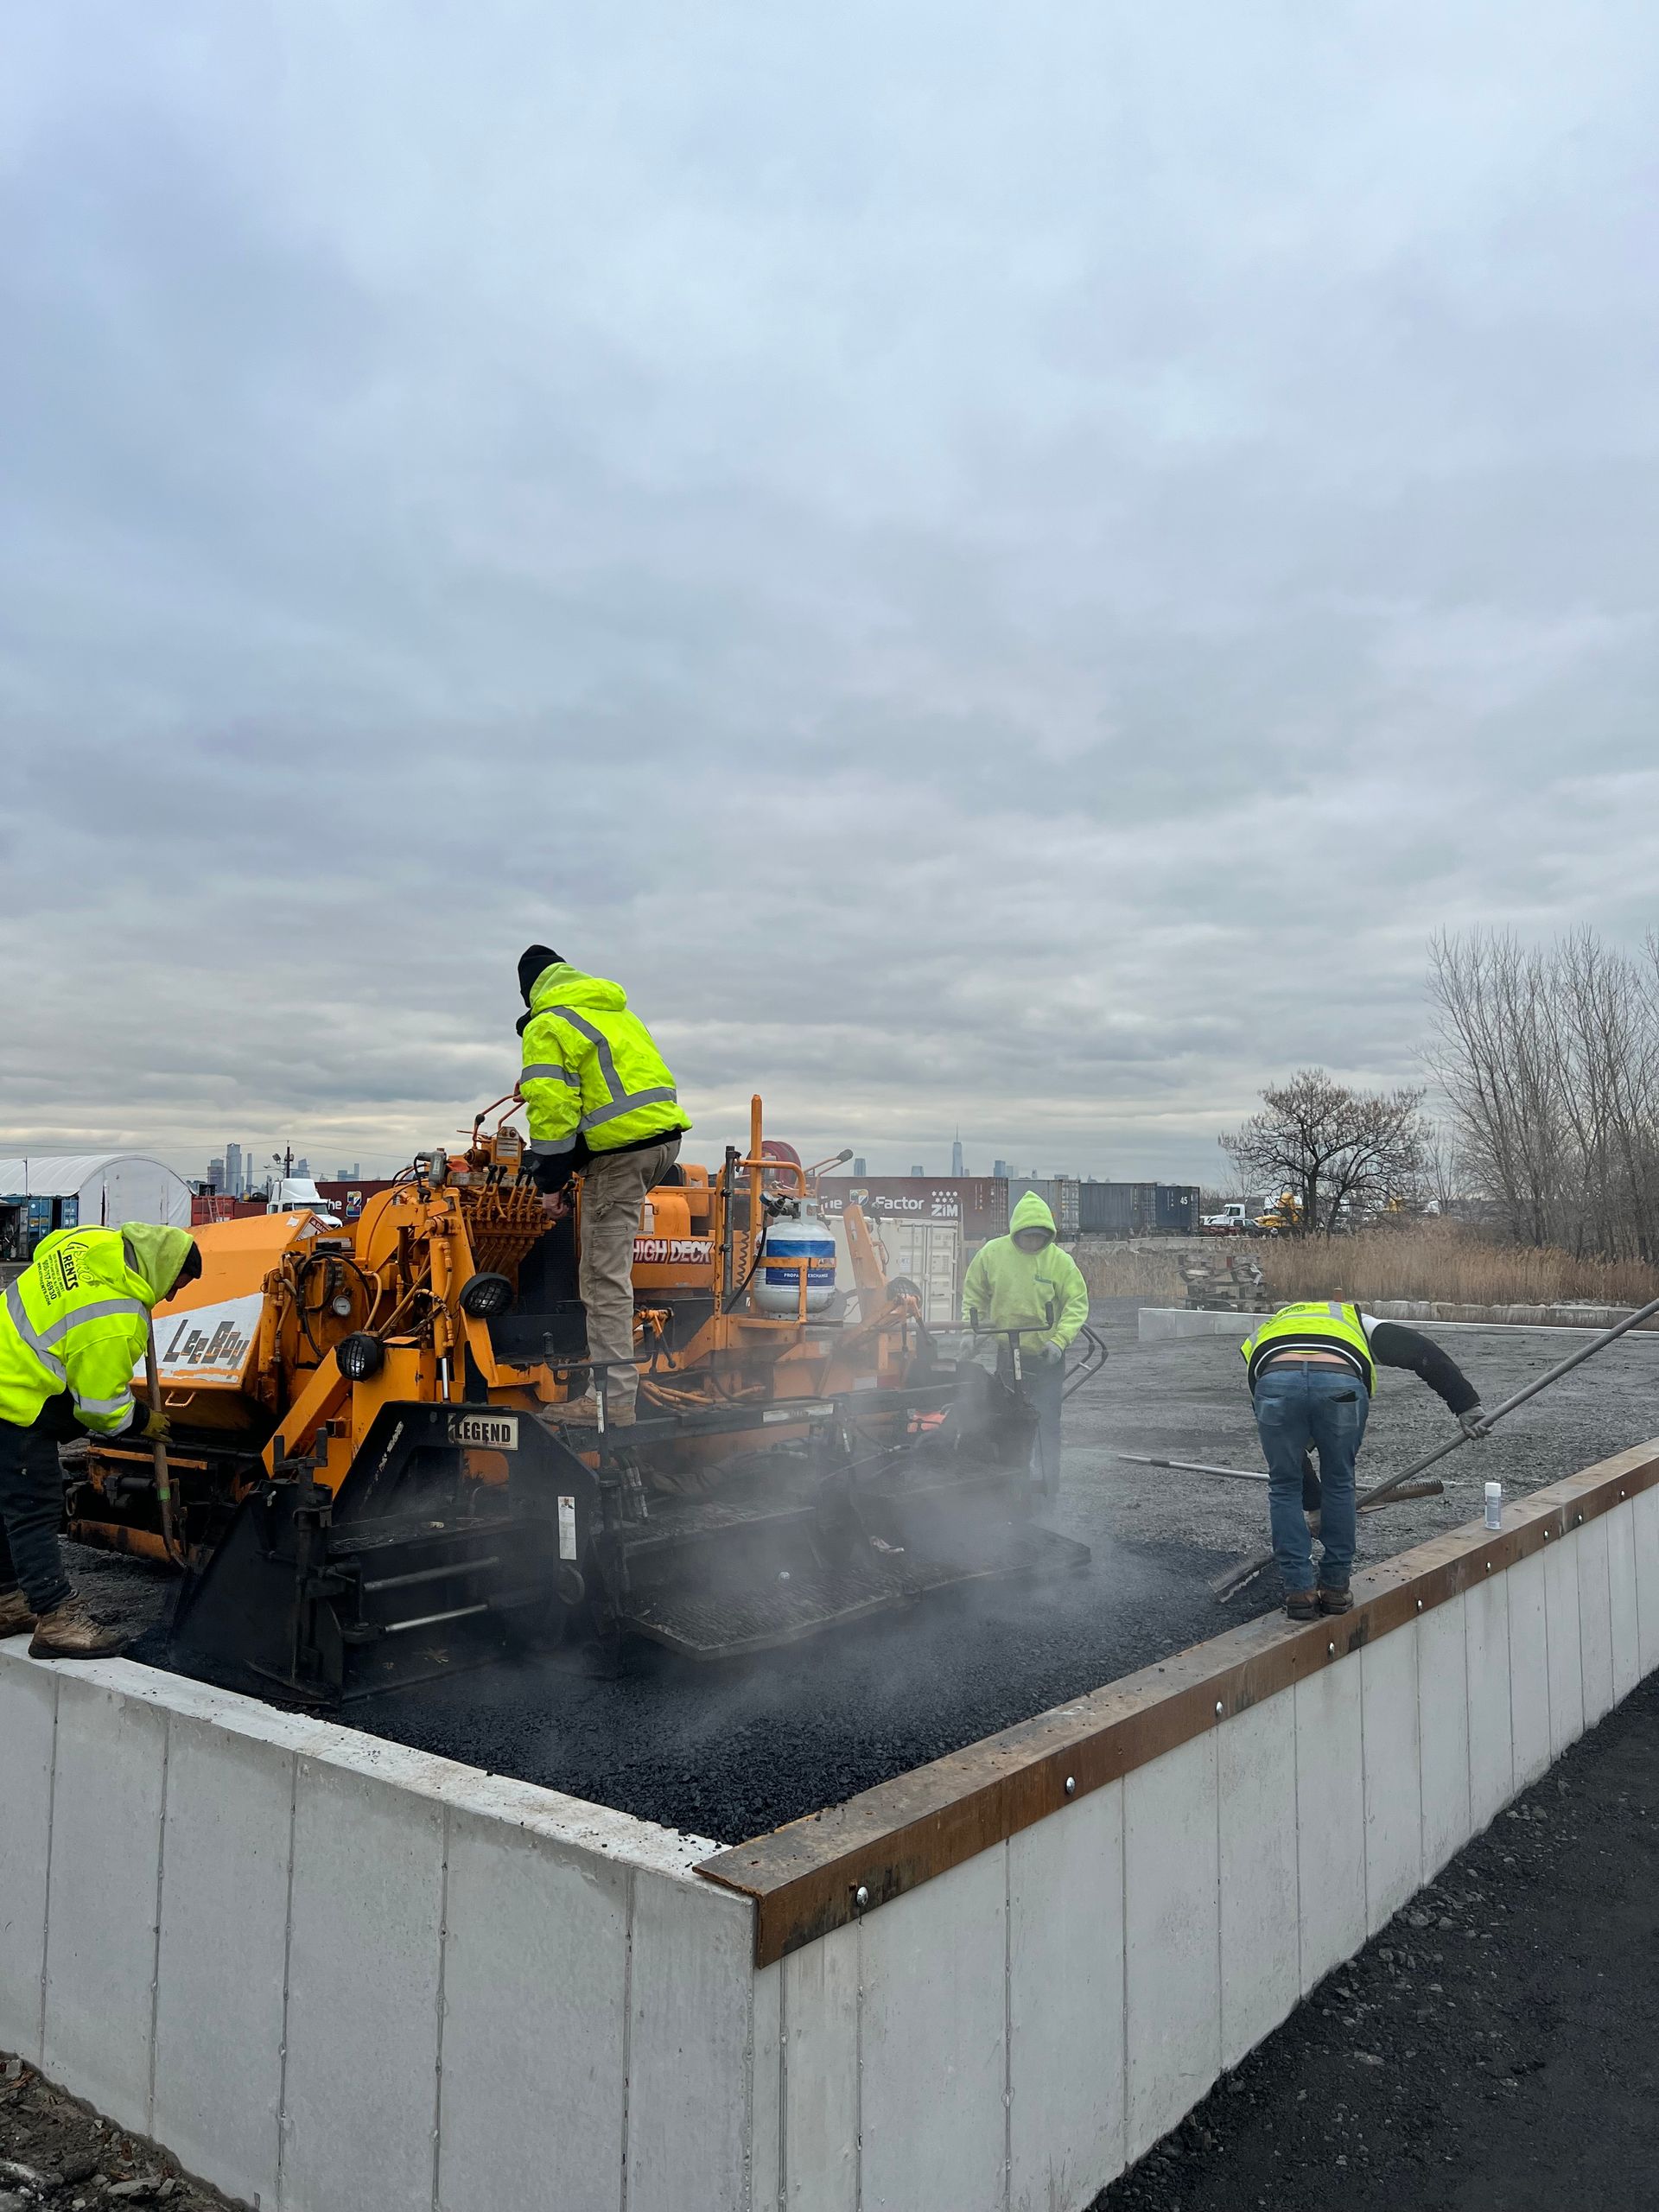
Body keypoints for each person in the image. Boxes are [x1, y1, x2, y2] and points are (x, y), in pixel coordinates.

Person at [0, 1222, 201, 1657]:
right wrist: (143, 1420)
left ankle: (9, 1601)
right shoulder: (115, 1316)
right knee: (35, 1505)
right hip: (11, 1399)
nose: (170, 1298)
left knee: (9, 1498)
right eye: (174, 1287)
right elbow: (98, 1407)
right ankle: (56, 1619)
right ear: (163, 1268)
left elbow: (44, 1247)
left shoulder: (89, 1240)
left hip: (7, 1365)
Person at [515, 945, 691, 1427]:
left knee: (601, 1279)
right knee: (606, 1265)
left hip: (619, 1155)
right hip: (662, 1147)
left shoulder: (546, 1026)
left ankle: (609, 1402)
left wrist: (549, 1182)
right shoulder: (613, 1011)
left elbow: (552, 1112)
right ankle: (608, 1385)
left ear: (530, 992)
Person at [1242, 1298, 1485, 1621]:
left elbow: (1285, 1442)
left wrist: (1311, 1501)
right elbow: (1421, 1351)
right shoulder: (1353, 1320)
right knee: (1340, 1483)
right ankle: (1335, 1588)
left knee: (1284, 1484)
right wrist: (1466, 1405)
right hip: (1339, 1381)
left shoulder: (1268, 1331)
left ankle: (1298, 1590)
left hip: (1275, 1383)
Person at [961, 1191, 1089, 1493]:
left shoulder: (1060, 1262)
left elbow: (1076, 1304)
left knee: (1045, 1424)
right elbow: (974, 1295)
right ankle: (1009, 1487)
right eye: (1027, 1237)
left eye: (1039, 1238)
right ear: (1017, 1231)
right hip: (1008, 1353)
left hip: (1046, 1358)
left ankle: (1047, 1489)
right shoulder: (993, 1254)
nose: (1033, 1243)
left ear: (1047, 1235)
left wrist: (1059, 1342)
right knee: (1006, 1420)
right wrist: (971, 1332)